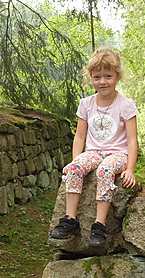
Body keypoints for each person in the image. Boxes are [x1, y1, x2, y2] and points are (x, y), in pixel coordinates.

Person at [50, 47, 138, 248]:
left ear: (117, 76)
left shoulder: (126, 105)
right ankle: (70, 219)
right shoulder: (86, 104)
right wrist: (75, 161)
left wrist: (130, 169)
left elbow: (132, 140)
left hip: (118, 154)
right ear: (91, 78)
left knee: (105, 170)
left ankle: (99, 225)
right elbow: (80, 136)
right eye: (97, 77)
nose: (103, 81)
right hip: (93, 152)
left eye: (108, 76)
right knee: (74, 169)